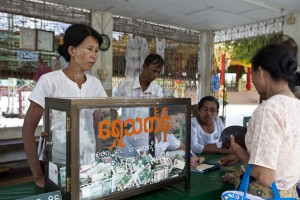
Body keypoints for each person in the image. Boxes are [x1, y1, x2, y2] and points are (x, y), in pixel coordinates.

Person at [22, 23, 107, 188]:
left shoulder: (95, 85)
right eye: (89, 49)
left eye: (96, 50)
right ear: (72, 50)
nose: (94, 55)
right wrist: (38, 175)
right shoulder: (50, 81)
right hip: (57, 162)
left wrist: (97, 156)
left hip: (88, 162)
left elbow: (99, 126)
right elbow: (27, 129)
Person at [227, 44, 300, 198]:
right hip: (290, 193)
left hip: (265, 194)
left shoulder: (269, 109)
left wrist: (238, 150)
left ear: (260, 72)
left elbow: (265, 175)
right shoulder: (296, 105)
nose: (252, 81)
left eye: (251, 74)